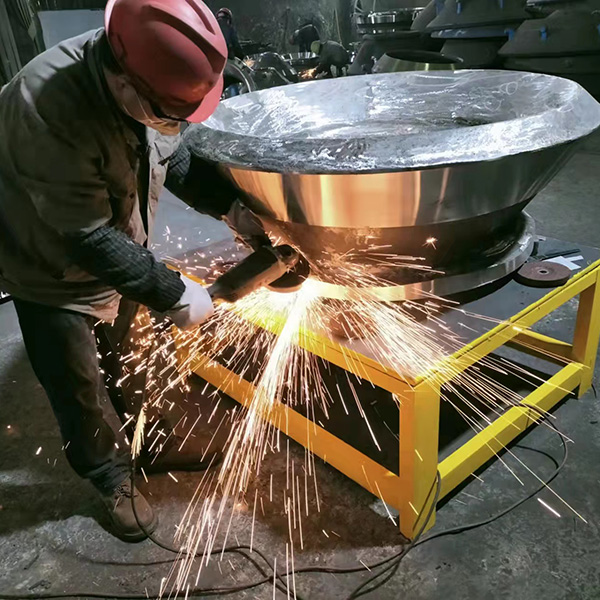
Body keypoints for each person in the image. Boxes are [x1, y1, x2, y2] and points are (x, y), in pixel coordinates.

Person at [0, 0, 260, 542]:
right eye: (167, 112)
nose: (173, 122)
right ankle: (109, 474)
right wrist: (173, 290)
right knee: (77, 382)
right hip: (43, 259)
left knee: (131, 352)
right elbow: (85, 237)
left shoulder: (147, 76)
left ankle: (149, 440)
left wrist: (229, 207)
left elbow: (172, 153)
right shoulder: (45, 107)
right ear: (122, 83)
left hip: (112, 238)